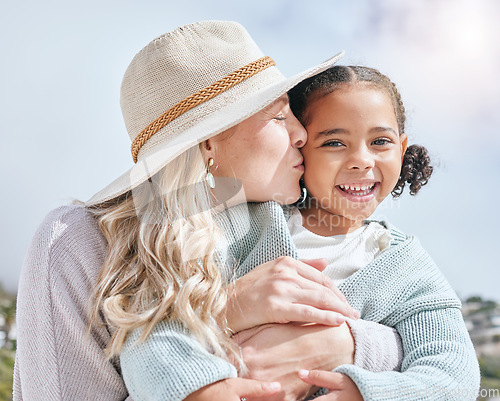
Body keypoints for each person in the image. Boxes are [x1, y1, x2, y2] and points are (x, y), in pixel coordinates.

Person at [13, 21, 404, 401]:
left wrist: (344, 343)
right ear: (209, 145)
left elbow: (432, 351)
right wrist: (222, 310)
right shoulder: (77, 242)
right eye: (279, 115)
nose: (301, 133)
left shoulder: (281, 223)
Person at [252, 64, 480, 400]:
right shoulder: (249, 225)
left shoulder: (404, 265)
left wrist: (364, 393)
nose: (361, 160)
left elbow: (454, 375)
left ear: (401, 151)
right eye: (334, 142)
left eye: (380, 141)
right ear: (299, 148)